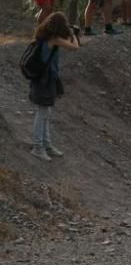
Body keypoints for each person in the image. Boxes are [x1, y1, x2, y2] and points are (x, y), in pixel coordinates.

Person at [27, 12, 80, 161]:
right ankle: (37, 147)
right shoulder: (54, 39)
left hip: (42, 79)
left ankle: (46, 145)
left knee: (46, 112)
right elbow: (75, 47)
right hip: (44, 80)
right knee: (42, 113)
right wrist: (73, 33)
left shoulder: (43, 36)